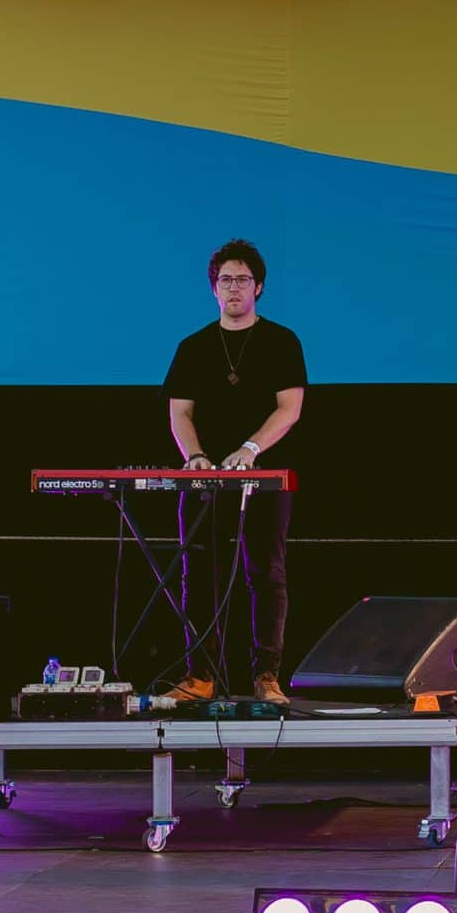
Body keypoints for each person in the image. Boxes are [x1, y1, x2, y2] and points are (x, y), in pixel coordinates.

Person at [162, 238, 306, 704]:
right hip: (205, 480)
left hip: (263, 479)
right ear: (214, 288)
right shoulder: (193, 347)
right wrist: (195, 457)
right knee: (198, 574)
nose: (234, 288)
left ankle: (266, 675)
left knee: (266, 574)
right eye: (226, 280)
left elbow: (289, 408)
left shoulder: (282, 342)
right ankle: (200, 676)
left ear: (259, 287)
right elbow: (180, 413)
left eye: (243, 280)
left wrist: (250, 448)